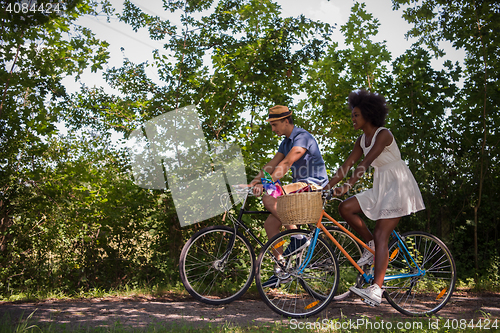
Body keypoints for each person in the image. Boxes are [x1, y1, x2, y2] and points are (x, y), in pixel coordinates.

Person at [326, 90, 425, 306]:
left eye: (356, 115)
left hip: (398, 185)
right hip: (381, 185)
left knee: (382, 234)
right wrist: (326, 187)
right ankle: (370, 247)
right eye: (352, 115)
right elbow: (347, 164)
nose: (352, 118)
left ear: (369, 115)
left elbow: (366, 162)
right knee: (346, 208)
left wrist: (348, 185)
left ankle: (377, 290)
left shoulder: (383, 134)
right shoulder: (361, 140)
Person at [249, 105, 328, 287]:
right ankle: (282, 269)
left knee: (269, 197)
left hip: (312, 186)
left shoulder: (303, 137)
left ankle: (298, 238)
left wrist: (266, 185)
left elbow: (286, 163)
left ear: (286, 121)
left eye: (275, 124)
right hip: (298, 188)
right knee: (270, 224)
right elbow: (272, 164)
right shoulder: (285, 142)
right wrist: (253, 182)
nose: (273, 129)